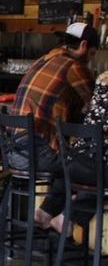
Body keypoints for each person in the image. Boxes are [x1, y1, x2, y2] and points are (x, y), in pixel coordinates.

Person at [15, 22, 99, 228]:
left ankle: (45, 213)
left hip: (14, 150)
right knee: (98, 169)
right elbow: (97, 107)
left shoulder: (43, 59)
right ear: (84, 45)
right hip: (39, 153)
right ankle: (68, 219)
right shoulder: (75, 67)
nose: (91, 58)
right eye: (92, 53)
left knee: (74, 161)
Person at [41, 72, 108, 234]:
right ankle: (68, 218)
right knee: (100, 174)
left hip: (74, 162)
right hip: (95, 169)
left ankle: (45, 211)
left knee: (81, 168)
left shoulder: (103, 80)